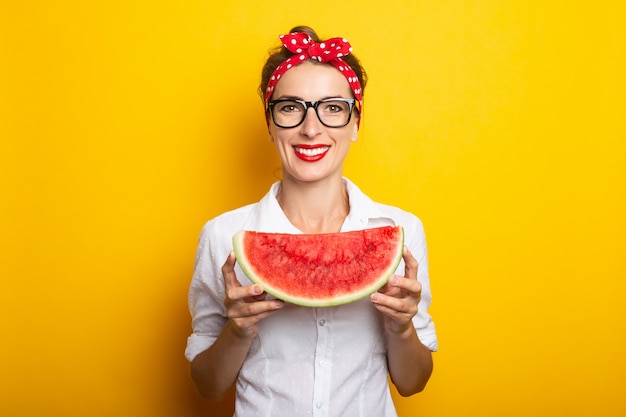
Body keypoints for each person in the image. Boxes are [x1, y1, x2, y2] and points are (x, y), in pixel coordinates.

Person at [185, 25, 438, 417]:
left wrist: (402, 328)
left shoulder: (401, 230)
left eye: (333, 108)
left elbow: (412, 383)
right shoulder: (224, 236)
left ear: (355, 124)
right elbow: (207, 386)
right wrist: (237, 330)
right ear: (270, 124)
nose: (311, 128)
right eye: (290, 107)